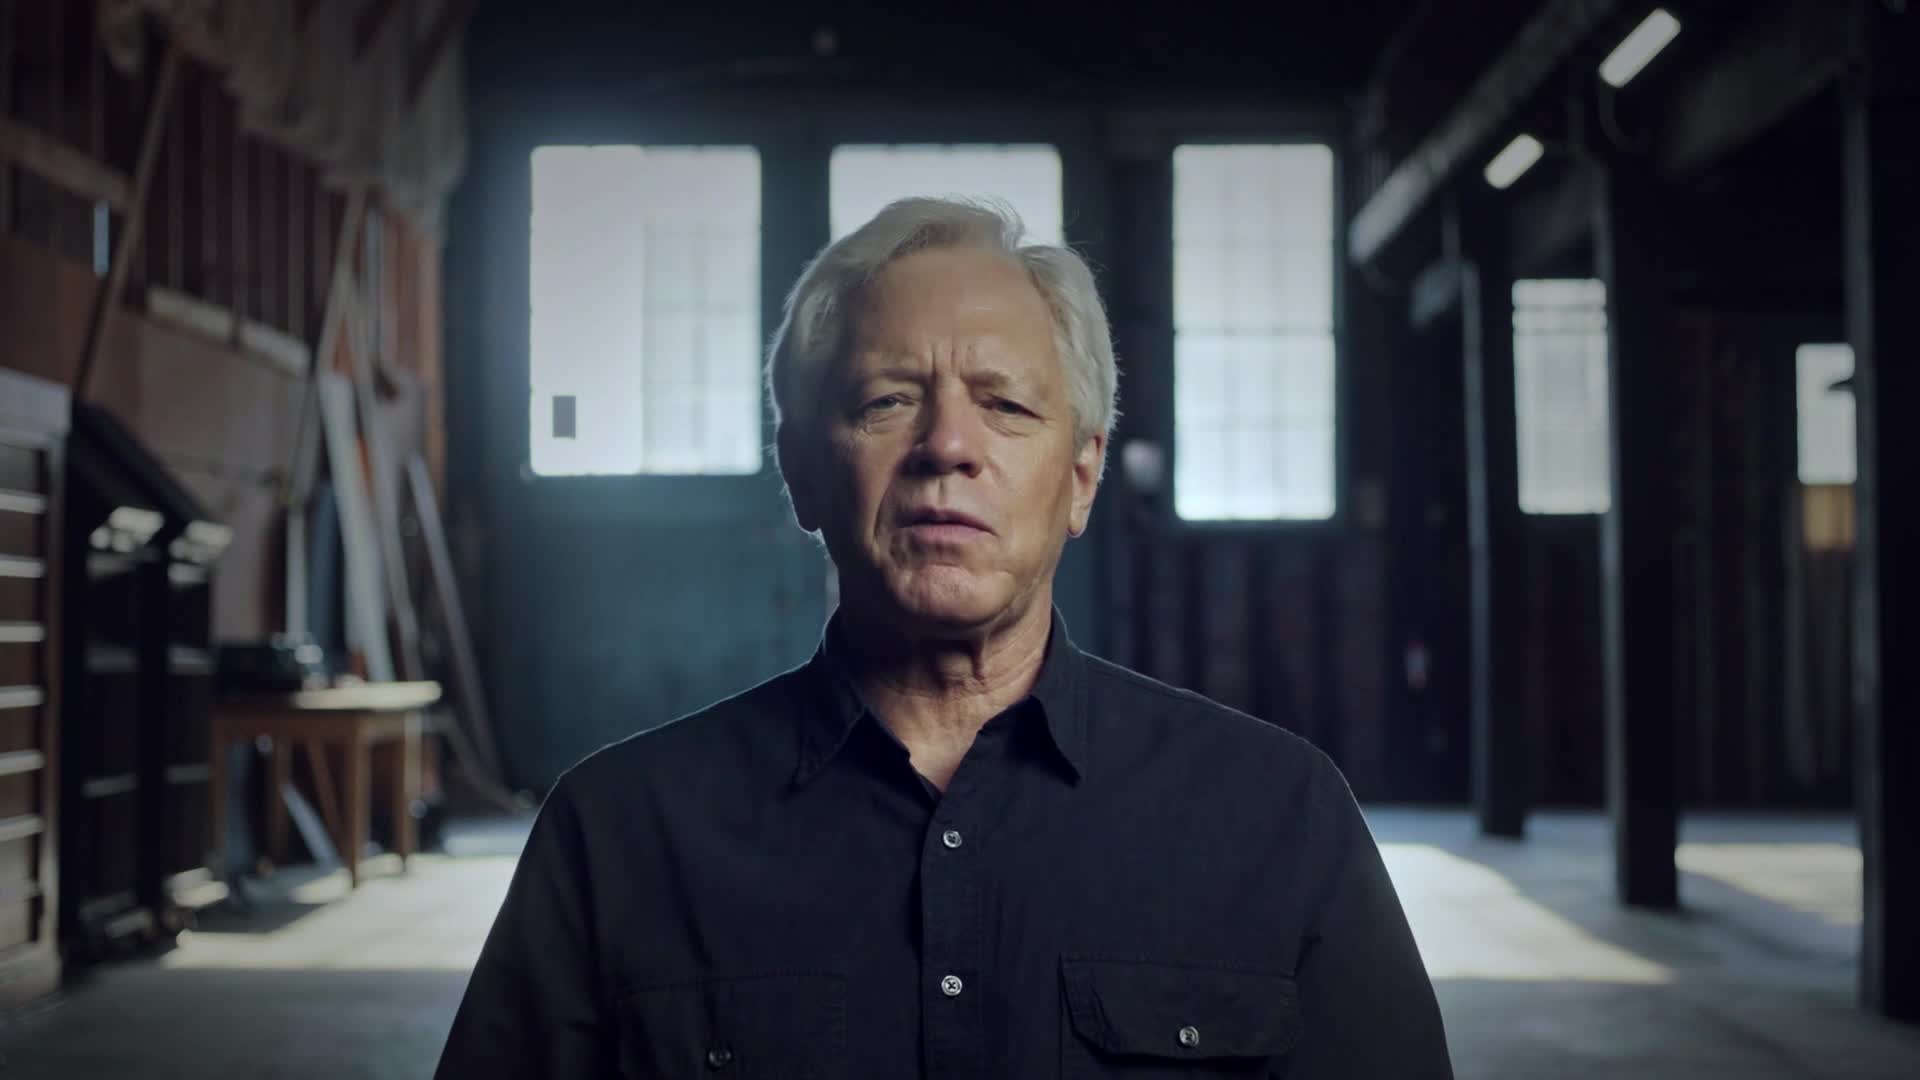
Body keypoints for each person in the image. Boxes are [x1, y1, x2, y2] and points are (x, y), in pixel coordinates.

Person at [434, 197, 1453, 1078]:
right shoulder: (618, 836)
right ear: (801, 471)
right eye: (887, 402)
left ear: (1083, 477)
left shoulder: (1279, 817)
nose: (947, 448)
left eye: (1004, 405)